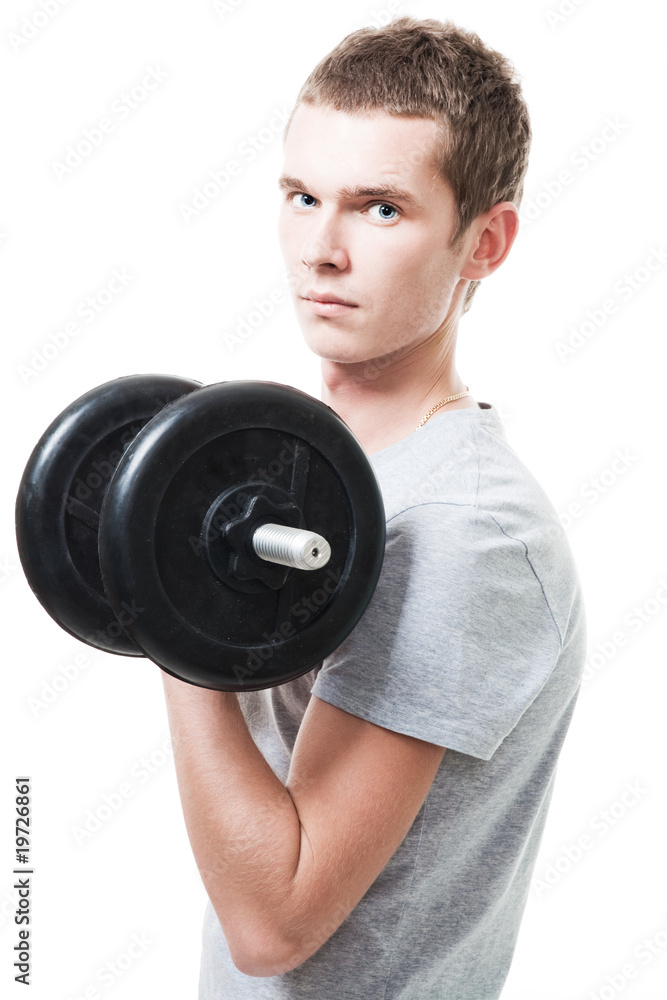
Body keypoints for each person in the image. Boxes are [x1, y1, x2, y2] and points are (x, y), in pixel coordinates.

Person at [161, 16, 587, 999]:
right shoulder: (319, 469)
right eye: (302, 196)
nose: (320, 248)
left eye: (379, 209)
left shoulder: (461, 535)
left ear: (484, 241)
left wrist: (171, 614)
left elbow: (273, 920)